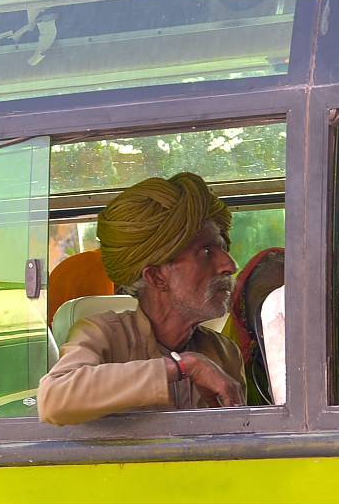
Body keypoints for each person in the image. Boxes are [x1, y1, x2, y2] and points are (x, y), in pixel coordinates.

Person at [37, 172, 246, 426]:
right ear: (157, 277)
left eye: (223, 249)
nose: (230, 265)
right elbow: (54, 399)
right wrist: (182, 367)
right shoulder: (101, 333)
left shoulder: (224, 352)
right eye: (205, 252)